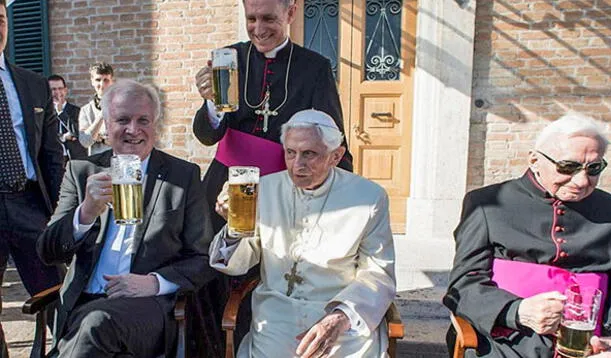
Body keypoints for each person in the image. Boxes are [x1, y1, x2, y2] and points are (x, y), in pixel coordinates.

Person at [37, 79, 215, 357]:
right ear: (106, 125)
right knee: (93, 326)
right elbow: (47, 251)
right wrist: (85, 213)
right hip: (83, 302)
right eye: (122, 120)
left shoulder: (182, 176)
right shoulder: (82, 171)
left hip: (146, 307)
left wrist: (154, 282)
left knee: (95, 323)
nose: (133, 130)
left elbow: (203, 258)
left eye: (142, 120)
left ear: (155, 124)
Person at [443, 113, 611, 358]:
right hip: (510, 340)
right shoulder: (486, 204)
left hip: (593, 343)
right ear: (535, 160)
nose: (581, 181)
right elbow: (463, 286)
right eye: (568, 167)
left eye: (594, 168)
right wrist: (518, 311)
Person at [209, 109, 395, 357]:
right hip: (276, 315)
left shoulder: (369, 197)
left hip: (338, 314)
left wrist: (340, 318)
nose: (298, 165)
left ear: (336, 156)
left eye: (309, 154)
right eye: (290, 153)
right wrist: (233, 227)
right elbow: (230, 263)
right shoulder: (262, 189)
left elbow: (378, 273)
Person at [193, 0, 353, 232]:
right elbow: (206, 137)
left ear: (290, 13)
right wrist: (211, 101)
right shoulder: (229, 58)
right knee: (216, 260)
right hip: (224, 186)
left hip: (285, 191)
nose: (258, 29)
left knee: (272, 264)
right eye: (251, 19)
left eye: (268, 19)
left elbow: (334, 140)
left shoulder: (315, 68)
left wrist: (342, 201)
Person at [0, 0, 64, 353]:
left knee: (55, 295)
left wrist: (59, 211)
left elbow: (52, 155)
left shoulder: (33, 85)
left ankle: (62, 349)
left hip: (29, 203)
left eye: (0, 19)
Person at [49, 74, 88, 161]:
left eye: (60, 88)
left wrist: (61, 113)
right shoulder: (46, 114)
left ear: (65, 90)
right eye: (53, 89)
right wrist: (63, 137)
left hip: (75, 159)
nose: (57, 92)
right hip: (54, 160)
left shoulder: (77, 111)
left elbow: (79, 133)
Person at [78, 62, 113, 156]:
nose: (102, 84)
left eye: (106, 80)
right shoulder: (86, 110)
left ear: (112, 81)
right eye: (98, 80)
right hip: (97, 165)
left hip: (120, 161)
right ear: (92, 81)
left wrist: (100, 138)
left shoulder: (124, 106)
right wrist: (102, 114)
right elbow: (85, 141)